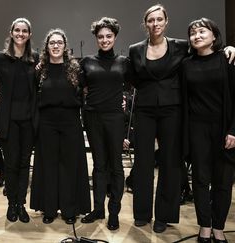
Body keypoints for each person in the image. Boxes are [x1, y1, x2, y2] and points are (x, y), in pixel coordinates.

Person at [129, 4, 235, 233]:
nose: (155, 24)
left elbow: (208, 50)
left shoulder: (181, 46)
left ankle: (164, 216)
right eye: (150, 20)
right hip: (145, 109)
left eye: (159, 19)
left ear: (166, 22)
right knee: (143, 163)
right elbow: (133, 79)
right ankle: (142, 213)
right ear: (145, 24)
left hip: (172, 110)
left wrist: (230, 48)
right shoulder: (135, 49)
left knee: (170, 163)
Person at [30, 28, 91, 225]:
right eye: (52, 43)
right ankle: (49, 209)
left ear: (65, 46)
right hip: (46, 122)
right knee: (48, 165)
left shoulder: (75, 69)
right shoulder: (40, 70)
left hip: (70, 122)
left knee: (69, 166)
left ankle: (69, 209)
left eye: (59, 42)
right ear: (47, 47)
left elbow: (87, 94)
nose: (55, 45)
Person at [182, 17, 235, 243]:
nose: (197, 36)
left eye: (202, 31)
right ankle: (205, 226)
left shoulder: (228, 60)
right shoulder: (186, 64)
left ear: (214, 36)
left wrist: (234, 130)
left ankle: (219, 228)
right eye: (193, 33)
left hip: (225, 128)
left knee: (223, 181)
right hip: (196, 128)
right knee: (201, 180)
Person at [80, 17, 130, 230]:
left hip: (115, 118)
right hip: (93, 117)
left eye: (108, 36)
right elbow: (75, 86)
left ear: (115, 37)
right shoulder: (87, 62)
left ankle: (114, 212)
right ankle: (98, 208)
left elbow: (137, 83)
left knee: (116, 165)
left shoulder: (124, 62)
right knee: (99, 165)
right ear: (96, 38)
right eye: (100, 36)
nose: (104, 40)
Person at [0, 17, 39, 223]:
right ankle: (11, 203)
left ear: (29, 35)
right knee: (11, 164)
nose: (20, 34)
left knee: (24, 163)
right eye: (17, 30)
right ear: (11, 32)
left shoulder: (35, 59)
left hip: (29, 121)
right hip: (8, 121)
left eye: (24, 31)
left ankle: (21, 203)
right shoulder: (0, 58)